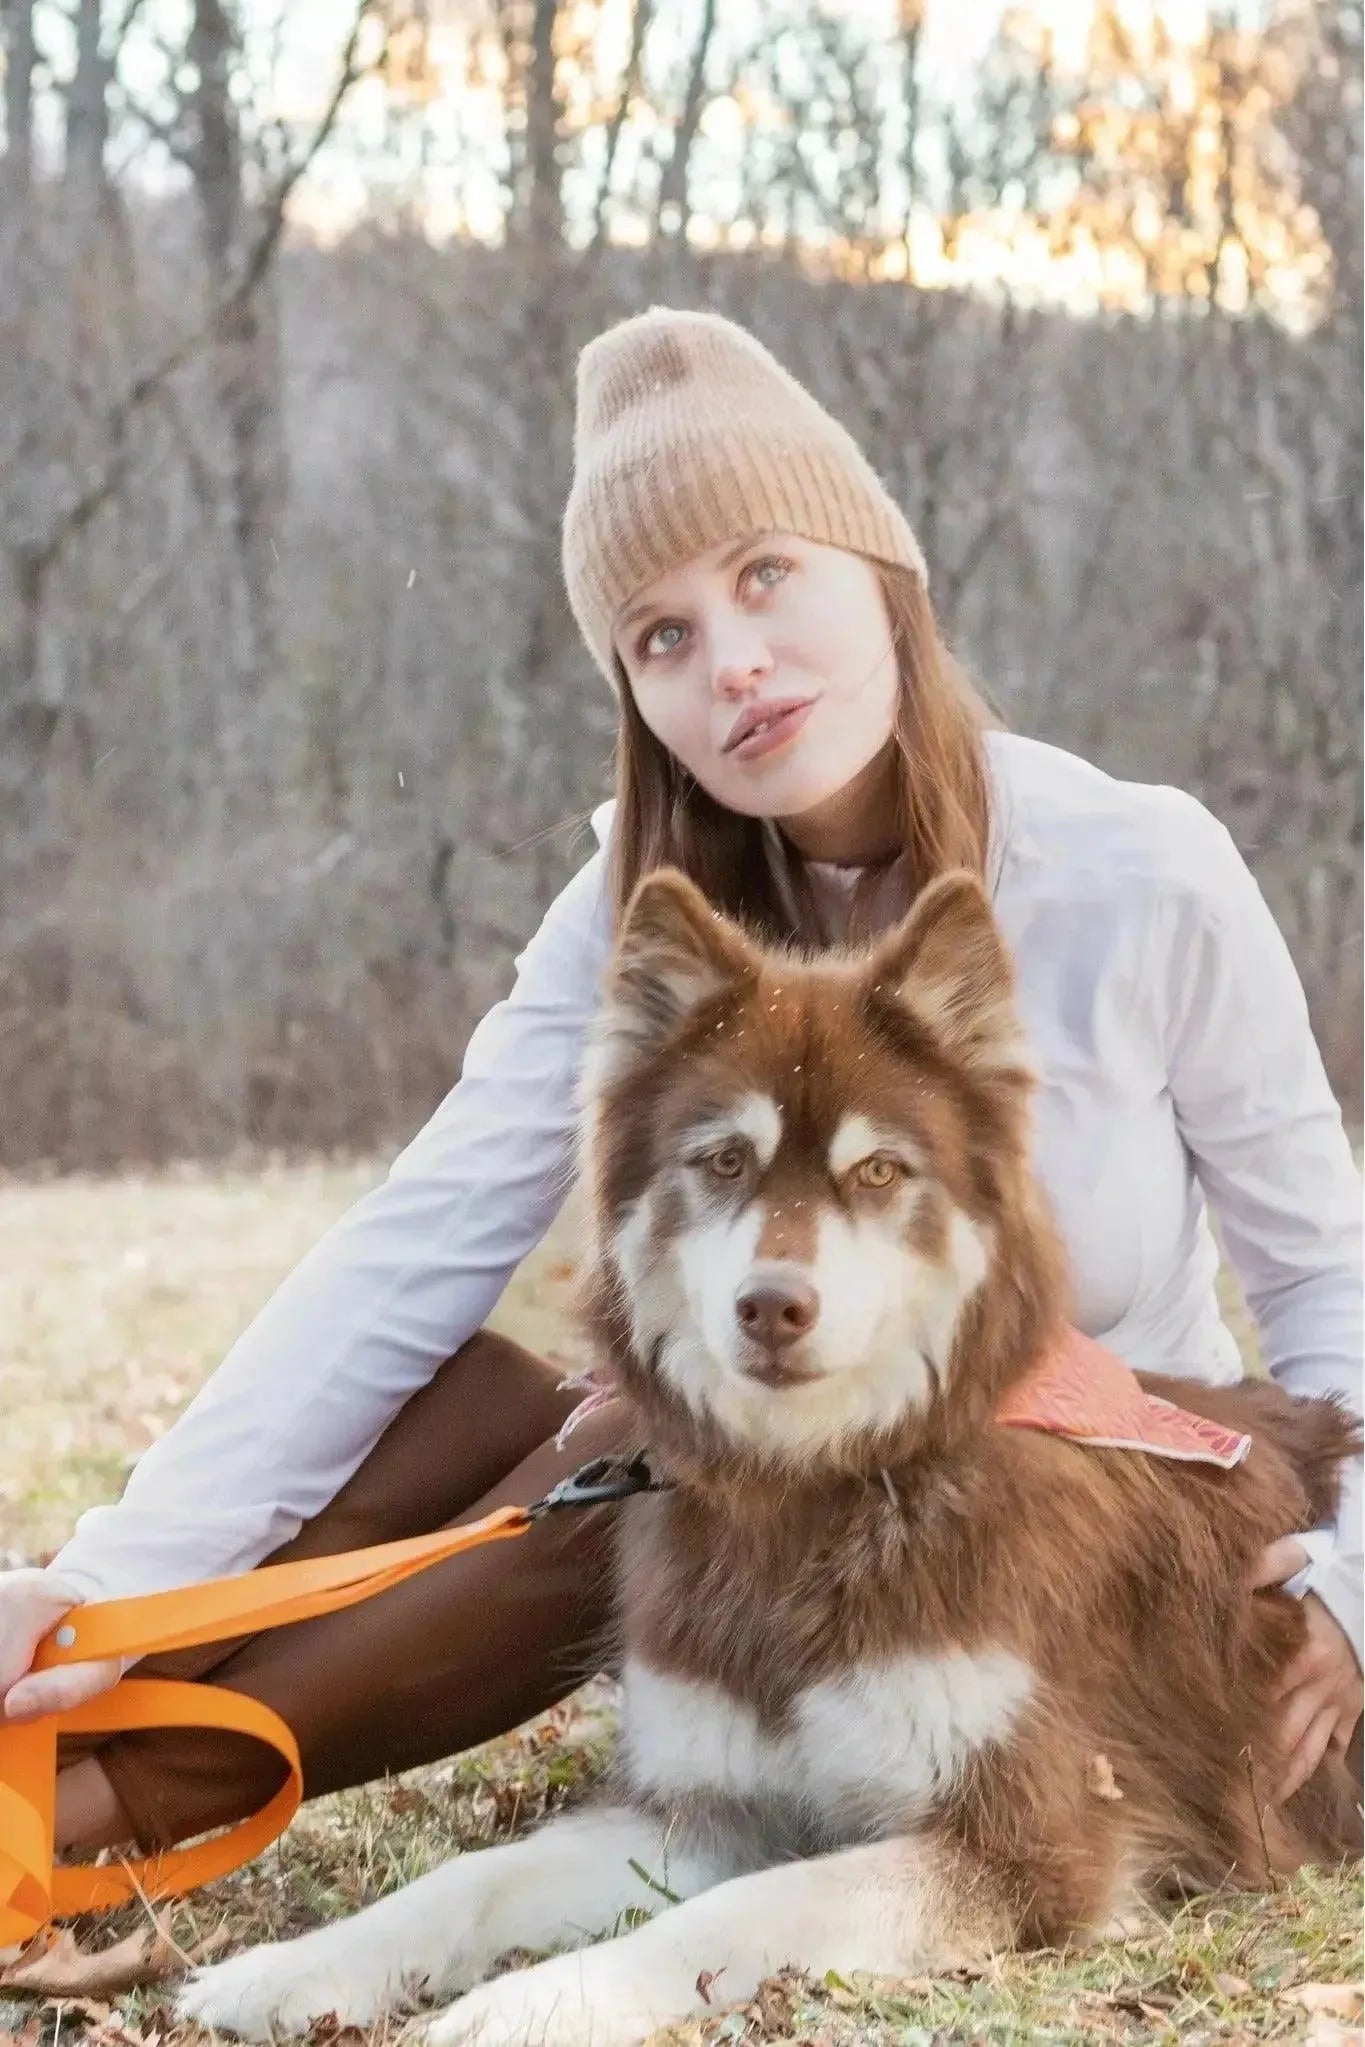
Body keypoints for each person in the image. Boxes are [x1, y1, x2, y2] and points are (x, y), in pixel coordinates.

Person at [4, 308, 1359, 1861]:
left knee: (644, 1451)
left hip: (1069, 1522)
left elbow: (1321, 1276)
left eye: (764, 574)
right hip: (788, 1512)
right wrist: (104, 1587)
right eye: (662, 637)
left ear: (880, 568)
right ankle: (55, 1727)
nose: (734, 664)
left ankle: (88, 1823)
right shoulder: (637, 908)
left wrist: (1355, 1580)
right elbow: (418, 1237)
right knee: (478, 1396)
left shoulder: (1139, 870)